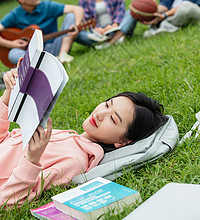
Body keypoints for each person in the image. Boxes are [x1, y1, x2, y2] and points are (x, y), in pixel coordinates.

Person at [0, 65, 168, 206]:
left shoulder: (74, 160)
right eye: (107, 104)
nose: (100, 113)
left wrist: (32, 159)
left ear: (122, 142)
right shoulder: (70, 138)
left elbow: (9, 202)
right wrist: (8, 96)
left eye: (112, 119)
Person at [0, 0, 84, 65]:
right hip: (34, 54)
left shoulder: (47, 6)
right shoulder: (15, 15)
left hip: (55, 46)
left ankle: (62, 56)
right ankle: (41, 65)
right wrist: (11, 44)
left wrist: (77, 25)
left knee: (70, 16)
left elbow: (77, 9)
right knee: (13, 54)